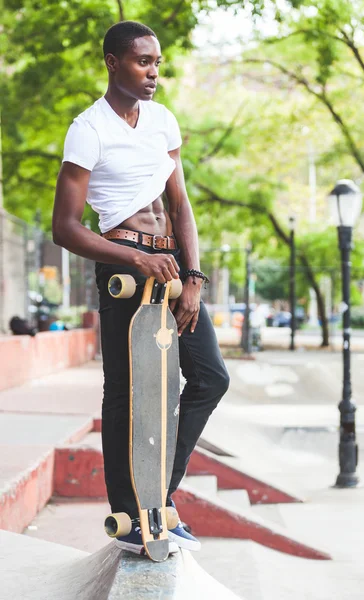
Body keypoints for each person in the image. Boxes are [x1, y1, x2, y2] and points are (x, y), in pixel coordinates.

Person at [52, 21, 229, 556]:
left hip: (173, 269)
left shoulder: (162, 121)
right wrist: (135, 257)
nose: (154, 73)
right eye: (142, 62)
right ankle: (129, 515)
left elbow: (181, 204)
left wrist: (191, 276)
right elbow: (65, 227)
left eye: (157, 62)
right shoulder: (89, 129)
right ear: (112, 62)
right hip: (125, 268)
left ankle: (160, 496)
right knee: (127, 392)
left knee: (209, 377)